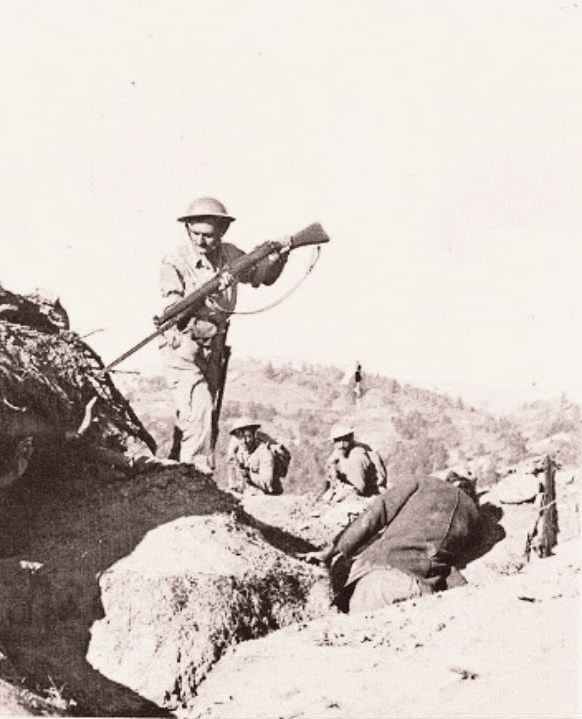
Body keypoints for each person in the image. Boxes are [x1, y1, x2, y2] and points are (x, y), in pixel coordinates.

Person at [159, 197, 287, 473]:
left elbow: (263, 277)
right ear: (187, 230)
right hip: (183, 344)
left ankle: (177, 469)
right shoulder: (175, 260)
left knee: (201, 414)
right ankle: (195, 475)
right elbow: (173, 310)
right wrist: (211, 289)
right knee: (200, 408)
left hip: (214, 347)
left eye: (208, 235)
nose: (201, 241)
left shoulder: (231, 255)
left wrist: (279, 258)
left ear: (222, 232)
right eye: (196, 234)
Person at [302, 473, 481, 613]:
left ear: (449, 480)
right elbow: (448, 563)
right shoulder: (473, 516)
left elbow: (374, 516)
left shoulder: (424, 482)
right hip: (425, 593)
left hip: (382, 583)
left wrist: (332, 550)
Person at [224, 417, 290, 495]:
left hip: (267, 495)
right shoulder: (239, 450)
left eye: (248, 436)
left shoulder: (264, 453)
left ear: (254, 435)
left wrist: (249, 475)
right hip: (248, 492)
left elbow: (267, 483)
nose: (244, 441)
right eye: (240, 437)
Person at [322, 425, 387, 500]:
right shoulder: (343, 449)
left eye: (345, 439)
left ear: (351, 437)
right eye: (337, 440)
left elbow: (359, 488)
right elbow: (331, 461)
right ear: (333, 441)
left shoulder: (357, 456)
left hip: (370, 495)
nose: (341, 444)